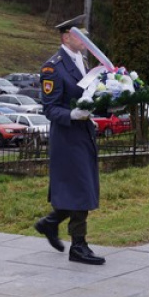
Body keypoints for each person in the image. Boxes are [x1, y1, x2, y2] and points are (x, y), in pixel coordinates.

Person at [34, 15, 105, 265]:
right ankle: (78, 245)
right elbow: (50, 109)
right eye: (80, 35)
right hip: (67, 136)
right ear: (66, 37)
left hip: (83, 132)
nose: (85, 39)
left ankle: (50, 224)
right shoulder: (53, 67)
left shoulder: (82, 62)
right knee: (80, 188)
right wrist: (72, 115)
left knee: (83, 188)